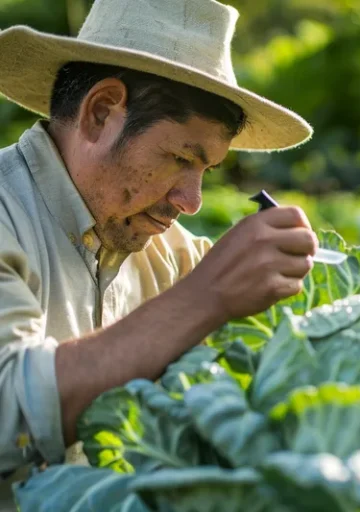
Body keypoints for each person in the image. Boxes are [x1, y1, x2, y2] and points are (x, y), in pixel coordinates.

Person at [0, 0, 318, 507]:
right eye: (179, 159)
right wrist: (205, 298)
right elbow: (8, 411)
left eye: (205, 171)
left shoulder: (170, 255)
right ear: (101, 111)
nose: (191, 203)